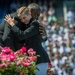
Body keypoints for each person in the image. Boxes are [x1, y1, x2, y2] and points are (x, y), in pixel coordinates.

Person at [5, 7, 50, 75]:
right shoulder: (28, 24)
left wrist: (12, 24)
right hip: (33, 60)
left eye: (24, 18)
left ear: (29, 14)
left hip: (40, 60)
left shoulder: (34, 24)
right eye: (21, 19)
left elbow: (22, 36)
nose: (23, 20)